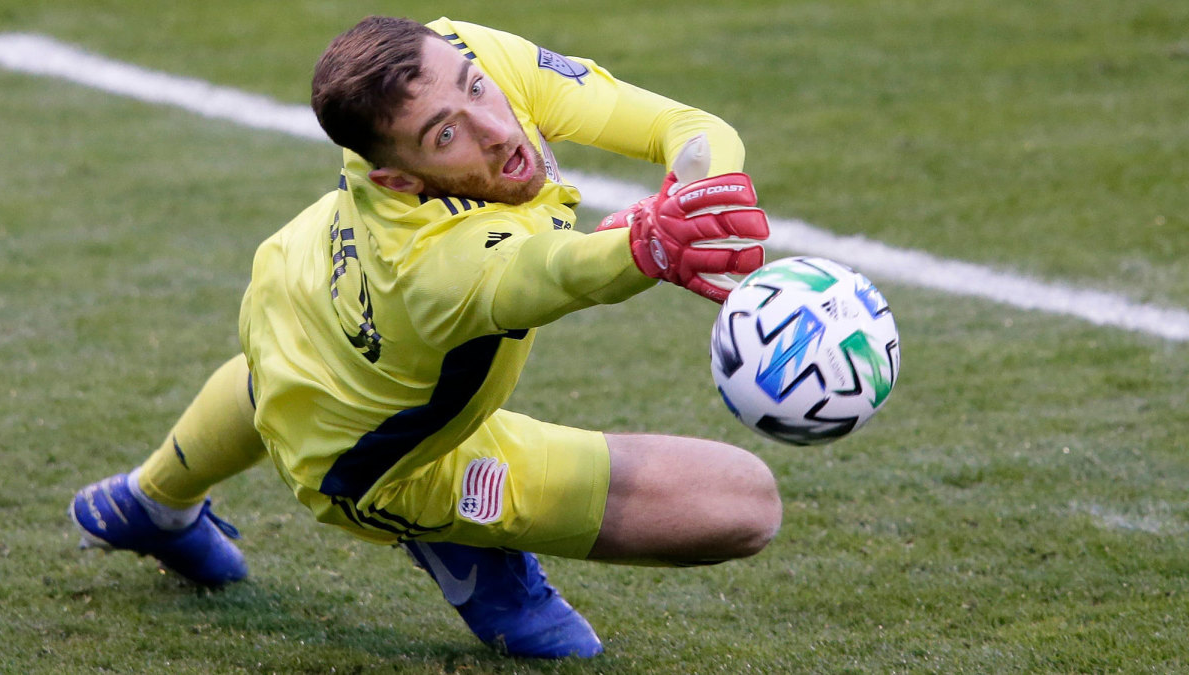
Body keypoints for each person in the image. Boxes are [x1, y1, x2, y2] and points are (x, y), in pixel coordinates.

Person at [70, 15, 782, 659]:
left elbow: (687, 125)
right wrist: (649, 244)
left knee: (284, 379)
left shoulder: (451, 58)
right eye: (447, 134)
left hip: (297, 284)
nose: (497, 129)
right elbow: (560, 271)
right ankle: (451, 528)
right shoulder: (436, 270)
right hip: (370, 461)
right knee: (745, 502)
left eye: (478, 90)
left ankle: (150, 500)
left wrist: (698, 187)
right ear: (398, 178)